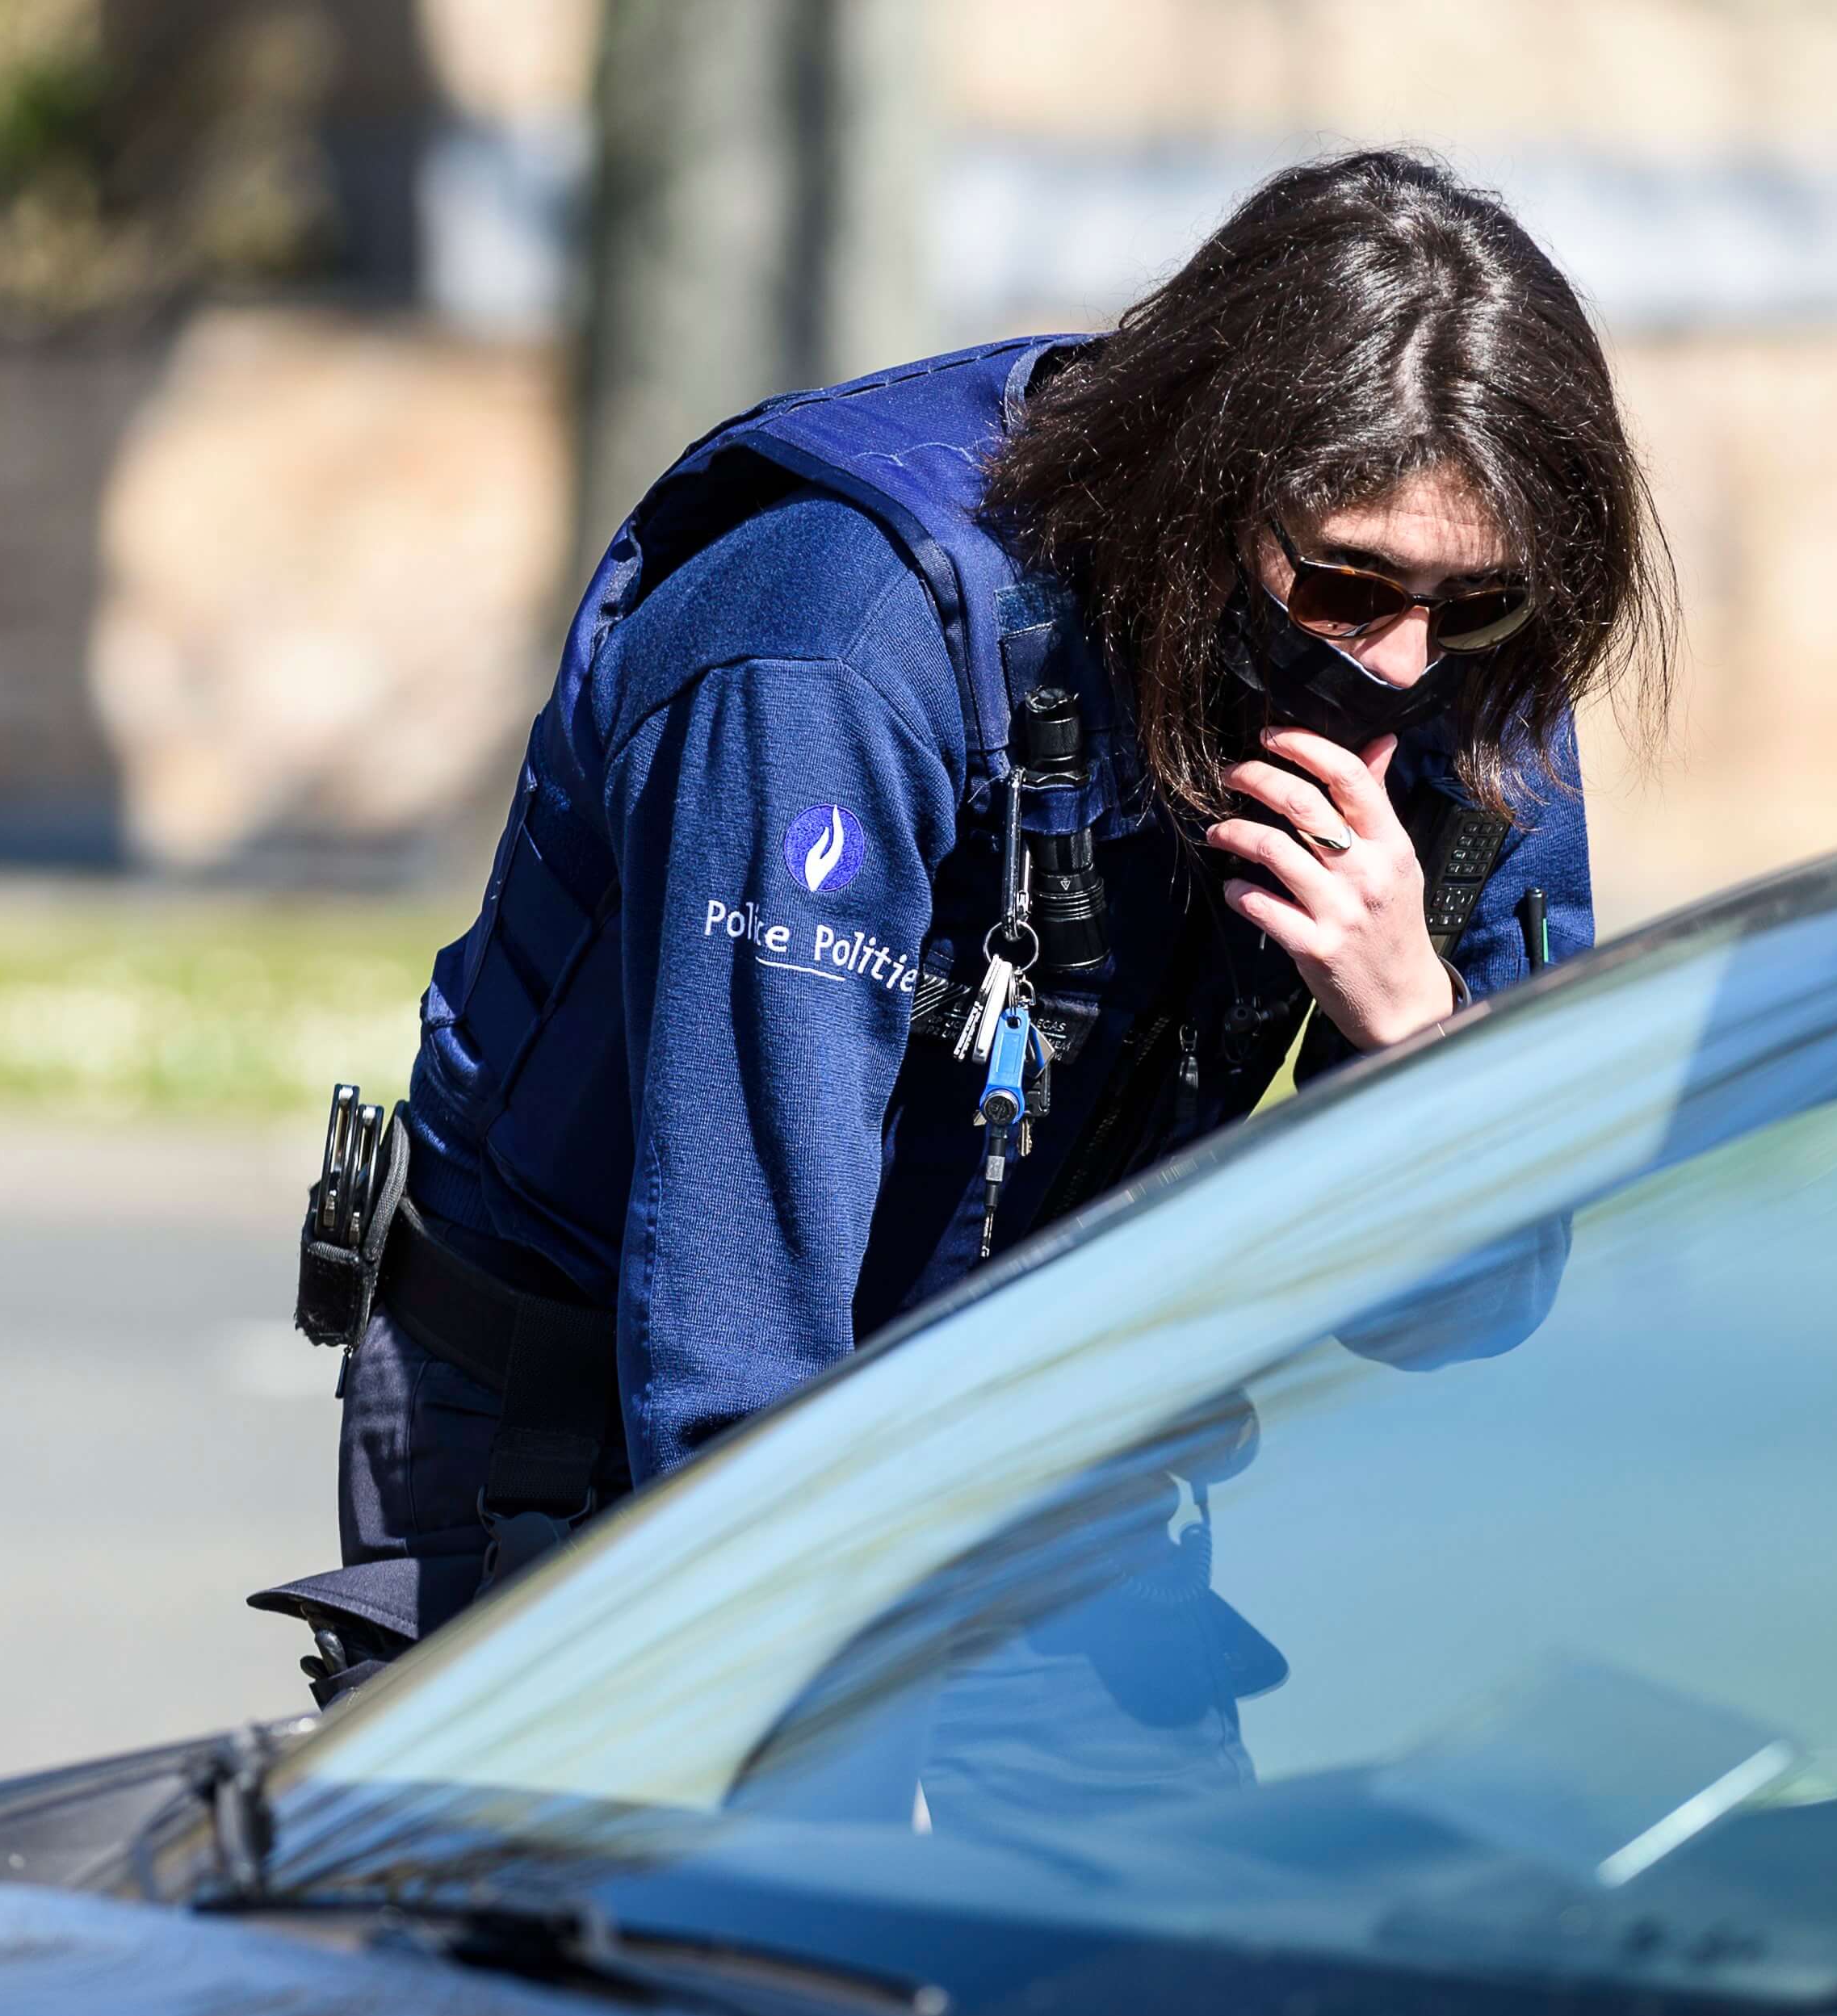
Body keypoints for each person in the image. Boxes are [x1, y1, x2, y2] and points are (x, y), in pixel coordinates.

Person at [254, 151, 1676, 1706]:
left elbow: (1477, 1309)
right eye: (1347, 584)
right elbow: (731, 1359)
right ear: (1204, 492)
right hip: (609, 1434)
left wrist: (1413, 1040)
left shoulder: (1469, 669)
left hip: (1045, 1437)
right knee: (696, 1933)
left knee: (1119, 1932)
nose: (1403, 662)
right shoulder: (836, 638)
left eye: (1469, 608)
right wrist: (811, 1761)